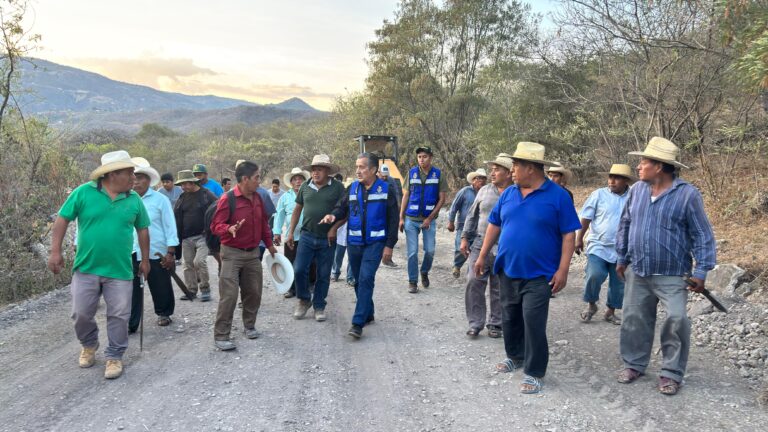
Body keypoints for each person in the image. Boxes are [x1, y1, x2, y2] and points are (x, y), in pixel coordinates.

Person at [475, 142, 580, 394]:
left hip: (540, 274)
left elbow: (569, 235)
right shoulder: (509, 193)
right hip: (508, 269)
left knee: (533, 322)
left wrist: (563, 269)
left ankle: (534, 371)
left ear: (531, 168)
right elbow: (494, 225)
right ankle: (515, 356)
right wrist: (482, 256)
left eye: (517, 166)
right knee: (510, 317)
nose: (512, 170)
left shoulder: (558, 197)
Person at [616, 137, 716, 396]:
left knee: (677, 318)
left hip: (673, 273)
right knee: (634, 319)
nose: (638, 166)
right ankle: (634, 364)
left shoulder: (687, 195)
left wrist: (701, 271)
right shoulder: (637, 190)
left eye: (644, 162)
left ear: (659, 166)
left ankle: (671, 372)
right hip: (638, 269)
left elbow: (702, 235)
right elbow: (626, 223)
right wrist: (622, 257)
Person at [48, 150, 151, 380]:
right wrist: (55, 251)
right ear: (113, 174)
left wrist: (145, 260)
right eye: (129, 173)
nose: (134, 178)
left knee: (119, 315)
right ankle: (89, 343)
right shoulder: (83, 193)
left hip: (120, 269)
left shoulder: (134, 199)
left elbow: (142, 229)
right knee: (80, 313)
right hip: (86, 267)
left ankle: (115, 355)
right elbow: (63, 219)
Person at [320, 152, 399, 338]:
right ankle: (368, 312)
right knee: (357, 279)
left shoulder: (386, 189)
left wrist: (389, 245)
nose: (358, 170)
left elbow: (393, 220)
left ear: (373, 169)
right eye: (357, 167)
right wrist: (333, 216)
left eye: (362, 167)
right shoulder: (352, 188)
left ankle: (357, 323)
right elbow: (341, 208)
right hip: (354, 242)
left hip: (375, 242)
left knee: (365, 278)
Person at [209, 161, 277, 351]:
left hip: (253, 253)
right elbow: (215, 226)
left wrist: (270, 245)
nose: (259, 181)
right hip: (231, 254)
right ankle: (221, 335)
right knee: (229, 295)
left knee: (254, 292)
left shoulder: (258, 197)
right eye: (256, 177)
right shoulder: (227, 199)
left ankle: (249, 325)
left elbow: (264, 223)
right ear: (245, 179)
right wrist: (228, 228)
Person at [460, 155, 513, 338]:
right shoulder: (484, 191)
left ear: (508, 173)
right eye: (492, 169)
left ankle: (496, 323)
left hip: (505, 245)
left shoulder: (516, 192)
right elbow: (472, 215)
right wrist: (465, 237)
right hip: (481, 241)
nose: (492, 172)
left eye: (497, 169)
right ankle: (475, 323)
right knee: (474, 281)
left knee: (498, 285)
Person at [287, 154, 345, 321]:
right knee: (299, 269)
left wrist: (333, 229)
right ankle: (304, 299)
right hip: (306, 235)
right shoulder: (305, 186)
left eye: (319, 169)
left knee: (324, 273)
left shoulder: (338, 188)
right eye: (313, 170)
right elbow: (297, 210)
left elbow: (344, 212)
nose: (315, 173)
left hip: (327, 239)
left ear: (327, 171)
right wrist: (290, 232)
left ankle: (319, 305)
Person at [575, 164, 634, 325]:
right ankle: (591, 304)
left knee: (618, 281)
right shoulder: (598, 195)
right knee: (594, 274)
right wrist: (579, 238)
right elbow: (586, 217)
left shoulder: (634, 197)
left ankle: (611, 311)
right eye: (610, 177)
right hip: (598, 245)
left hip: (623, 249)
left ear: (626, 181)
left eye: (617, 178)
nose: (612, 181)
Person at [128, 163, 179, 332]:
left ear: (148, 180)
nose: (136, 182)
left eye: (141, 178)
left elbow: (170, 226)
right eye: (134, 177)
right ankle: (131, 322)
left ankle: (164, 313)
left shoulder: (160, 200)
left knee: (160, 284)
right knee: (131, 289)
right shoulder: (124, 199)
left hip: (156, 250)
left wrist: (171, 252)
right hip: (131, 250)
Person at [399, 146, 448, 293]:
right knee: (412, 252)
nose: (421, 159)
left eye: (424, 156)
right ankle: (412, 281)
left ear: (431, 157)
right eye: (419, 157)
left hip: (429, 220)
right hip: (411, 219)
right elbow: (406, 196)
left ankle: (424, 271)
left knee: (430, 251)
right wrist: (401, 218)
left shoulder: (438, 174)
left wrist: (430, 218)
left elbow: (442, 199)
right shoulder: (411, 173)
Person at [173, 170, 217, 301]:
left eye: (185, 184)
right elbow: (177, 216)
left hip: (203, 236)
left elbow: (218, 207)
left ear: (192, 182)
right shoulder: (182, 197)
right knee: (187, 264)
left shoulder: (206, 194)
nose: (183, 187)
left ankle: (205, 288)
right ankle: (191, 290)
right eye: (181, 185)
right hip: (186, 237)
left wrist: (211, 229)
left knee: (199, 262)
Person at [273, 167, 316, 298]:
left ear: (305, 181)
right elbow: (279, 216)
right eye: (295, 179)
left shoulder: (311, 194)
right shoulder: (285, 197)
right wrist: (277, 232)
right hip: (292, 237)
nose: (298, 181)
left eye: (300, 179)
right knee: (290, 263)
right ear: (291, 183)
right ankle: (292, 288)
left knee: (311, 262)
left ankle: (310, 285)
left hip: (309, 236)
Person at [448, 168, 487, 278]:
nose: (482, 181)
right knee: (460, 249)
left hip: (479, 228)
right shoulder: (465, 191)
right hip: (463, 226)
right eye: (479, 178)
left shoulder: (486, 192)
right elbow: (454, 206)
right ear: (473, 180)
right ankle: (457, 265)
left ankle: (472, 271)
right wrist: (451, 221)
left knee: (475, 250)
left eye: (484, 178)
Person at [378, 164, 402, 268]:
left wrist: (398, 206)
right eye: (382, 175)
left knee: (392, 235)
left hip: (390, 210)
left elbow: (396, 193)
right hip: (378, 212)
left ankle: (388, 258)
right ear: (378, 173)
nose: (384, 177)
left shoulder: (391, 180)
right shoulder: (374, 181)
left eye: (385, 176)